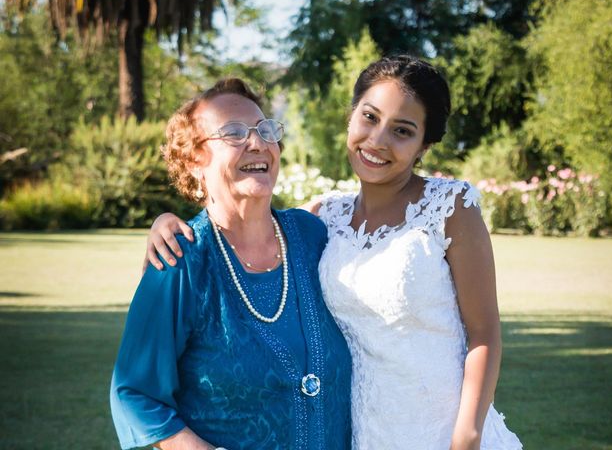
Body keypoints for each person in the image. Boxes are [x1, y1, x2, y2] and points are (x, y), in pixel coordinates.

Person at [145, 56, 522, 450]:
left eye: (403, 131)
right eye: (370, 117)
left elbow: (484, 335)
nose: (377, 140)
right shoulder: (322, 217)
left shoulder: (451, 208)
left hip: (444, 434)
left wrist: (467, 436)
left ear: (424, 145)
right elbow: (246, 222)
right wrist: (169, 223)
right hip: (360, 435)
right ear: (351, 116)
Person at [110, 78, 352, 450]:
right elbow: (136, 393)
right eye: (233, 132)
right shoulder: (180, 260)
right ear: (194, 161)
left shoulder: (312, 235)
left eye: (265, 130)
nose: (257, 142)